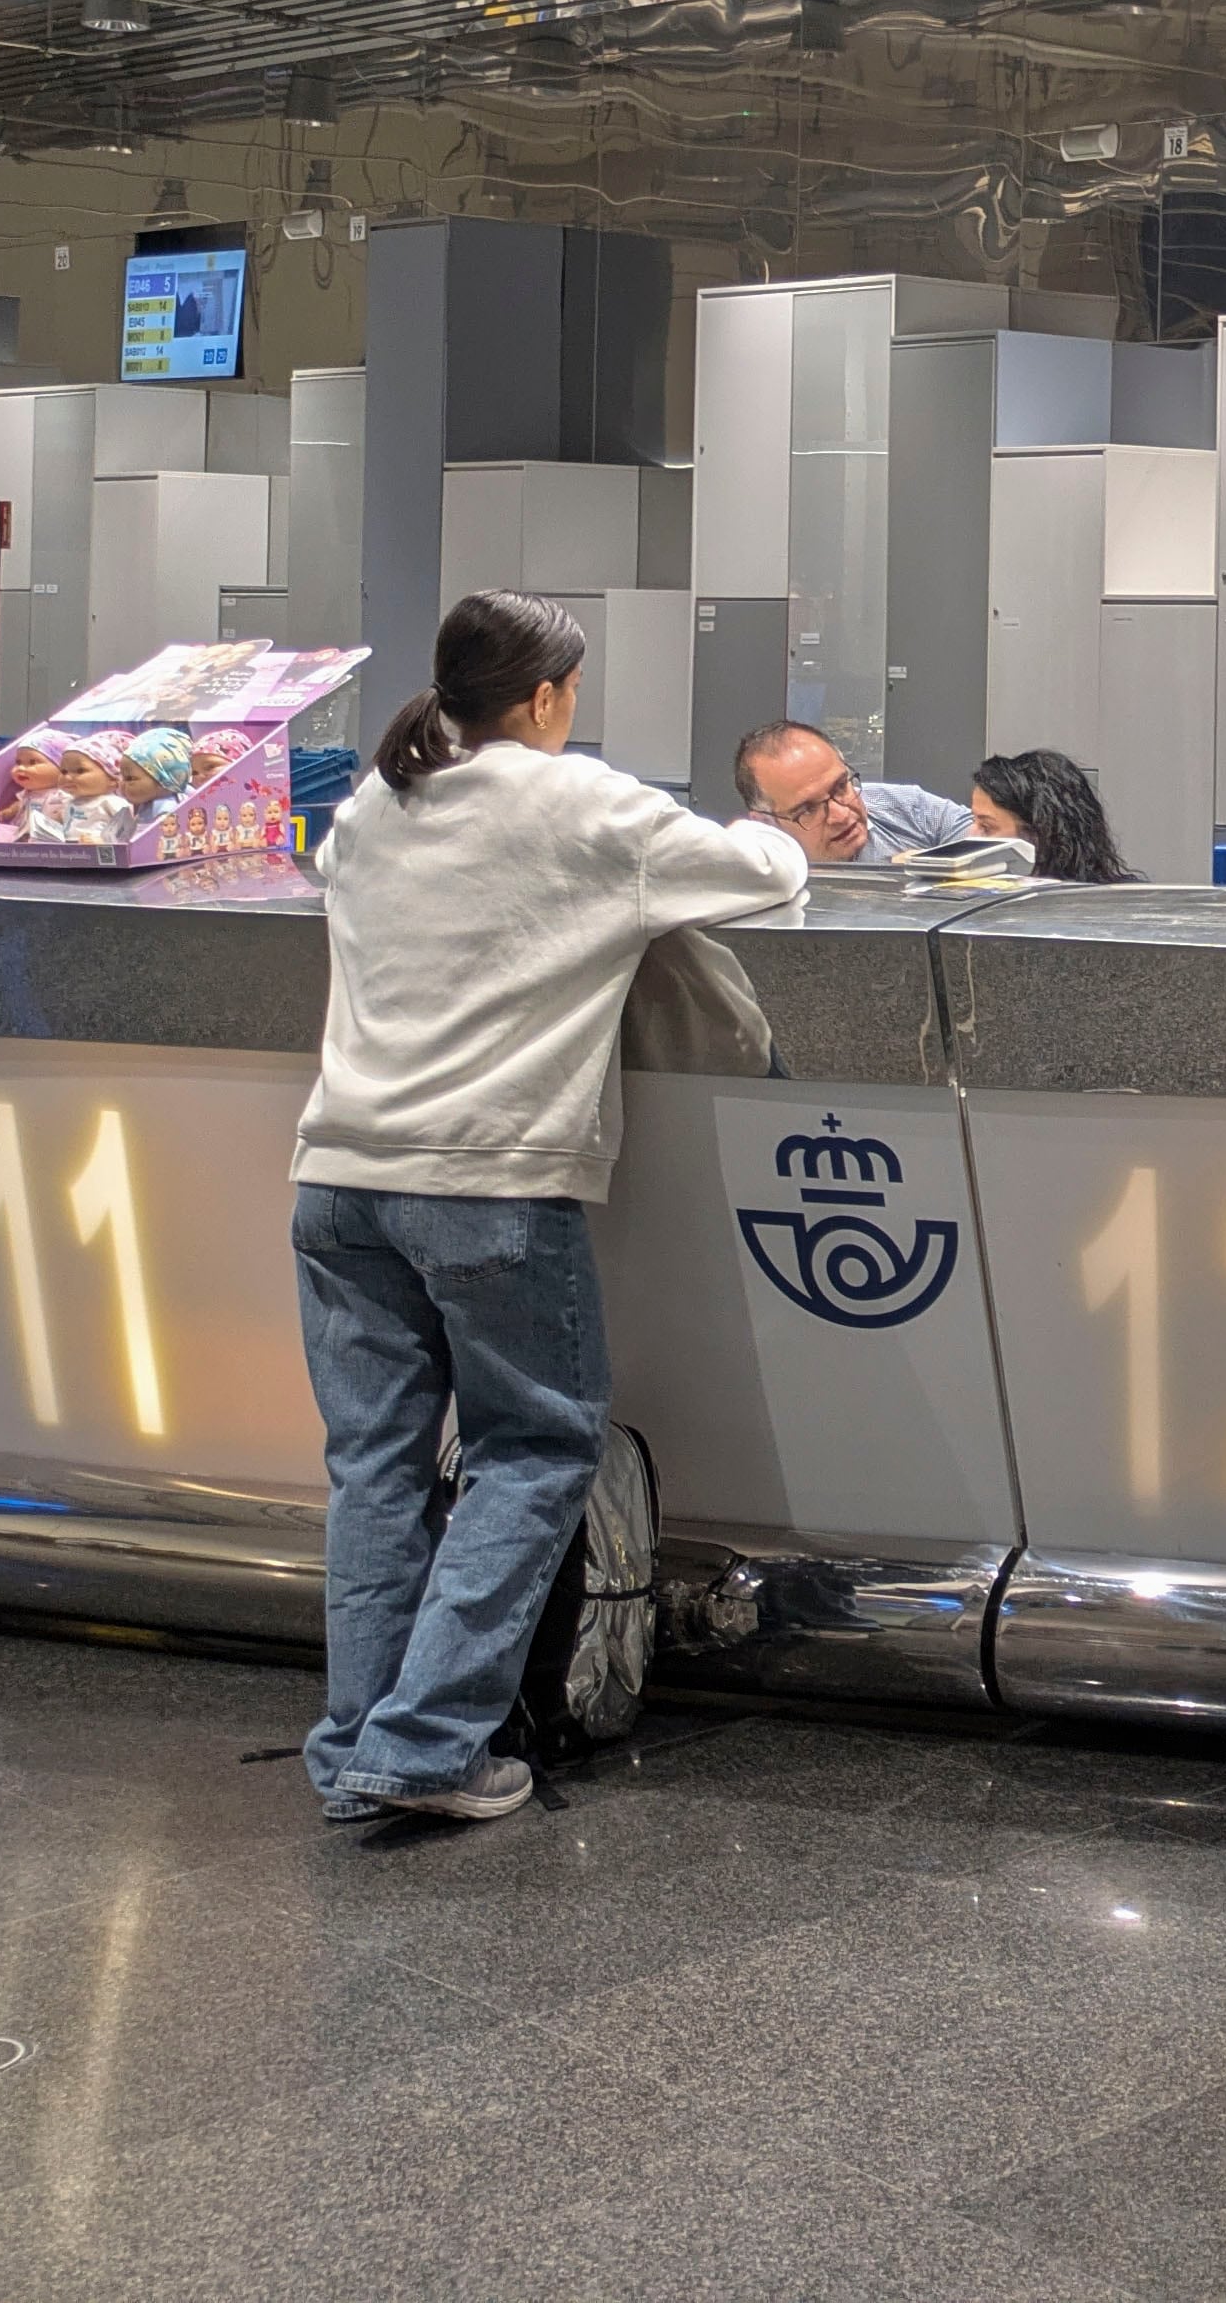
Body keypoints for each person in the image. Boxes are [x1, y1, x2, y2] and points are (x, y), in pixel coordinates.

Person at [288, 590, 811, 1821]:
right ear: (543, 698)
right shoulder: (583, 804)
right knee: (529, 1451)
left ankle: (357, 1742)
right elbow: (767, 871)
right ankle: (425, 1748)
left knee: (375, 1469)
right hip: (491, 1184)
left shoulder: (374, 802)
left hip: (337, 1181)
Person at [736, 719, 974, 860]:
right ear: (766, 824)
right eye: (807, 809)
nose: (841, 815)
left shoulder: (901, 806)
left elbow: (985, 837)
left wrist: (928, 868)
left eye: (840, 787)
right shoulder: (754, 881)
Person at [967, 747, 1139, 885]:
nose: (970, 835)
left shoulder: (1123, 906)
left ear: (1039, 836)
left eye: (987, 828)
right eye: (972, 820)